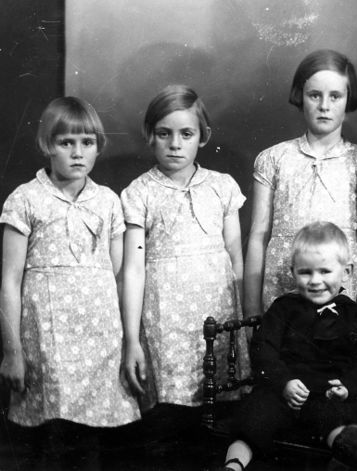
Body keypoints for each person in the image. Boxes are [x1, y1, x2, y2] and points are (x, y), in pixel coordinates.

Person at [0, 97, 140, 468]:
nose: (78, 153)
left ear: (98, 146)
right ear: (47, 144)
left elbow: (119, 275)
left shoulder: (108, 201)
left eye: (87, 142)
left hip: (99, 339)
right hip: (47, 339)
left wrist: (129, 340)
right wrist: (12, 352)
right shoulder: (26, 199)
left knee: (91, 442)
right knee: (51, 439)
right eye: (66, 143)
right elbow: (9, 282)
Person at [120, 85, 249, 459]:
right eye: (164, 134)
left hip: (218, 314)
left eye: (186, 134)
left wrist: (242, 322)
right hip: (166, 321)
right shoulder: (139, 193)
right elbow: (133, 269)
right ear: (150, 135)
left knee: (219, 414)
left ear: (203, 136)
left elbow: (235, 257)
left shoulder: (222, 186)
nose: (175, 144)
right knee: (170, 423)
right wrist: (131, 338)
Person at [244, 49, 357, 331]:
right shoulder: (273, 159)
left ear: (348, 99)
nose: (324, 106)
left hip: (341, 293)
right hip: (281, 292)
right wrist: (252, 313)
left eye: (335, 96)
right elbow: (258, 236)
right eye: (315, 95)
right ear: (300, 97)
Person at [218, 221, 357, 471]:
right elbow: (264, 350)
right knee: (255, 415)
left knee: (336, 416)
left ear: (346, 272)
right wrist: (284, 381)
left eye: (325, 272)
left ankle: (342, 450)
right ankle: (234, 464)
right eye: (306, 272)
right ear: (293, 272)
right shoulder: (283, 308)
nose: (315, 281)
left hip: (328, 394)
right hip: (282, 391)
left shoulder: (353, 314)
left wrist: (348, 386)